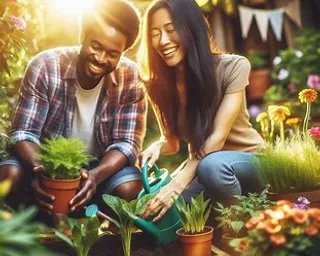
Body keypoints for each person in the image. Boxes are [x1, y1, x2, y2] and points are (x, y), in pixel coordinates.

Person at [0, 0, 147, 214]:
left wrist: (96, 176)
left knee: (129, 188)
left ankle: (101, 227)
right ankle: (25, 221)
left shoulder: (131, 77)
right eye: (95, 46)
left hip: (99, 172)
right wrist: (43, 170)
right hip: (42, 166)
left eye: (113, 54)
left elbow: (127, 143)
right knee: (9, 173)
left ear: (123, 52)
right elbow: (24, 132)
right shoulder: (45, 66)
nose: (100, 58)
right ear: (82, 38)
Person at [138, 0, 265, 222]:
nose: (163, 41)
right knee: (168, 212)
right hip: (204, 168)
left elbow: (217, 138)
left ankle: (241, 229)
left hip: (249, 162)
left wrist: (178, 183)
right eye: (155, 33)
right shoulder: (158, 86)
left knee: (211, 167)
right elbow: (171, 142)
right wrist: (156, 147)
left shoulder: (233, 67)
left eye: (170, 30)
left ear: (191, 28)